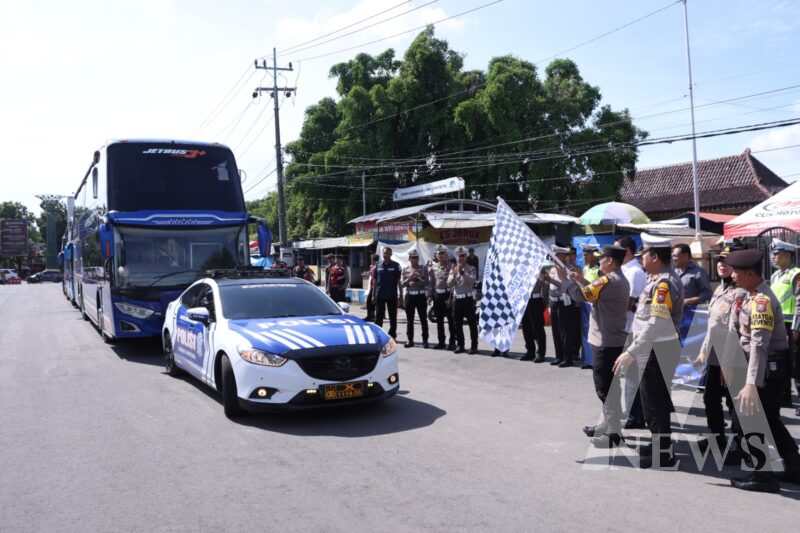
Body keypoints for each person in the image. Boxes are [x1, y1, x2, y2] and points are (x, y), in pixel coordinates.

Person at [725, 248, 800, 492]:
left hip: (766, 367)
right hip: (759, 365)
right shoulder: (748, 295)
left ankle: (762, 476)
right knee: (769, 419)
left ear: (749, 274)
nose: (732, 276)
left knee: (751, 419)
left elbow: (759, 345)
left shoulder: (761, 302)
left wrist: (751, 384)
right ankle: (795, 466)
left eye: (736, 272)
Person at [613, 236, 684, 468]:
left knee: (656, 401)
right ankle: (658, 443)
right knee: (651, 400)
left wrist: (631, 351)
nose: (641, 258)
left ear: (654, 257)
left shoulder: (663, 284)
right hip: (653, 347)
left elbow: (656, 323)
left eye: (644, 254)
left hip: (658, 348)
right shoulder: (655, 280)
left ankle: (664, 453)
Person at [569, 245, 630, 448]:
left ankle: (614, 434)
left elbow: (581, 296)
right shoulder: (615, 279)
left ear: (610, 261)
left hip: (606, 341)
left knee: (605, 388)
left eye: (601, 259)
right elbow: (592, 291)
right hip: (611, 339)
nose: (599, 262)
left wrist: (570, 280)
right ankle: (607, 424)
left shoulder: (609, 280)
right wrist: (580, 279)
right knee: (610, 386)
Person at [693, 244, 745, 465]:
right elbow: (713, 325)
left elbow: (736, 330)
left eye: (727, 261)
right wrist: (703, 351)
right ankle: (717, 438)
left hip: (732, 357)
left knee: (735, 403)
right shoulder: (719, 288)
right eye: (720, 261)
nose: (722, 265)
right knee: (710, 398)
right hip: (715, 355)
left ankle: (739, 446)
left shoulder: (740, 293)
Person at [616, 235, 648, 430]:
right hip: (625, 327)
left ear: (627, 251)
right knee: (627, 374)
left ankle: (635, 415)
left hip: (632, 328)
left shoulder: (635, 272)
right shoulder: (625, 270)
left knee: (631, 374)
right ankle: (632, 412)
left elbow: (630, 302)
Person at [769, 238, 800, 414]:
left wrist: (797, 328)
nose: (774, 257)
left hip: (792, 325)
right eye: (773, 254)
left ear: (787, 255)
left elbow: (799, 302)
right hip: (779, 324)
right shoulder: (776, 275)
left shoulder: (796, 274)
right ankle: (785, 396)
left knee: (796, 363)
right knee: (782, 362)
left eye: (777, 254)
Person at [546, 245, 581, 367]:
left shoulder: (570, 269)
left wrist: (551, 280)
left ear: (562, 256)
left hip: (565, 302)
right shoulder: (553, 269)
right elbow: (551, 287)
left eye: (556, 255)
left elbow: (564, 286)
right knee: (555, 331)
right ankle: (558, 356)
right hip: (554, 301)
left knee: (565, 331)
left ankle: (568, 357)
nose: (554, 258)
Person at [672, 243, 712, 343]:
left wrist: (688, 301)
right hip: (674, 316)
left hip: (690, 317)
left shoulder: (698, 272)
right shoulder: (673, 272)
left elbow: (707, 293)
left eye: (676, 256)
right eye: (672, 256)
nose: (673, 258)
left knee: (688, 345)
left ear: (685, 256)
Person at [448, 246, 478, 354]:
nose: (461, 258)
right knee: (457, 323)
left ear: (466, 257)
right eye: (459, 256)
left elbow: (471, 281)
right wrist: (455, 274)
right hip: (457, 300)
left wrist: (462, 273)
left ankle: (474, 346)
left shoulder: (471, 268)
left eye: (463, 256)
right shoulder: (453, 269)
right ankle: (460, 345)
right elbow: (449, 283)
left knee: (472, 323)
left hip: (468, 298)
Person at [402, 249, 430, 348]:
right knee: (410, 320)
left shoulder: (423, 268)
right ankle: (410, 340)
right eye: (413, 257)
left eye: (416, 257)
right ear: (409, 259)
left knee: (423, 319)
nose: (415, 259)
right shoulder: (405, 269)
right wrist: (410, 278)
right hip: (410, 296)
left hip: (420, 295)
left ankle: (425, 340)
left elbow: (427, 283)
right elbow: (402, 284)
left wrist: (419, 279)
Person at [521, 266, 549, 362]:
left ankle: (540, 353)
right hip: (524, 301)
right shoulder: (522, 269)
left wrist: (545, 302)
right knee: (526, 327)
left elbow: (545, 285)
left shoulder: (539, 268)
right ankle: (530, 351)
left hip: (536, 300)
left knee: (537, 327)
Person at [430, 245, 456, 350]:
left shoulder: (452, 266)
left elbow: (454, 282)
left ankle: (452, 342)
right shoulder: (433, 267)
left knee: (451, 320)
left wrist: (452, 297)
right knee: (439, 320)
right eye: (439, 253)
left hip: (448, 295)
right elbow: (432, 282)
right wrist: (430, 295)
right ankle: (441, 342)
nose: (441, 255)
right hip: (437, 295)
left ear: (447, 254)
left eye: (443, 253)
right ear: (436, 255)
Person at [580, 243, 601, 369]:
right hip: (584, 301)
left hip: (593, 303)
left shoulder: (598, 270)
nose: (584, 257)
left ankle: (595, 360)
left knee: (594, 331)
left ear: (593, 255)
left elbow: (596, 287)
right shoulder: (586, 268)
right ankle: (587, 359)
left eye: (586, 254)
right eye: (584, 254)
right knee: (585, 331)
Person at [374, 247, 402, 339]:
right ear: (383, 254)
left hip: (392, 295)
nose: (386, 255)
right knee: (378, 317)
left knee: (392, 317)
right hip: (380, 294)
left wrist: (400, 296)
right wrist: (373, 295)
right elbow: (375, 281)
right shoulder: (377, 265)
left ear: (391, 254)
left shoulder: (396, 265)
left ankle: (392, 335)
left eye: (388, 253)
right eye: (385, 253)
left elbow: (399, 282)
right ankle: (378, 334)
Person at [365, 254, 379, 322]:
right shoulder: (372, 266)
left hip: (374, 286)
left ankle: (372, 316)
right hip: (371, 285)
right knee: (369, 302)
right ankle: (370, 315)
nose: (371, 260)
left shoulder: (376, 267)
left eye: (371, 259)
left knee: (371, 301)